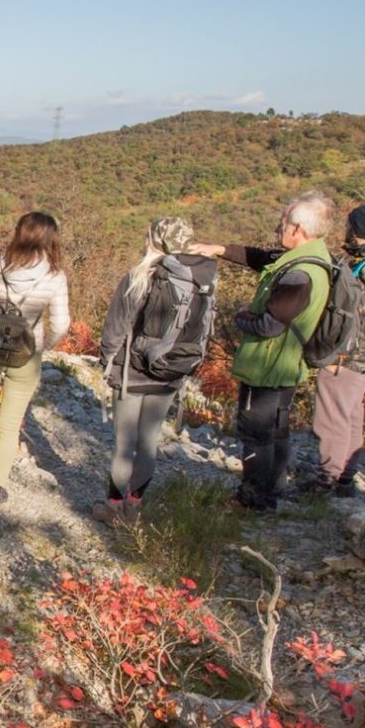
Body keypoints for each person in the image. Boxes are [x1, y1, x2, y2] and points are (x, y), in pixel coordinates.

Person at [187, 191, 334, 512]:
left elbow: (270, 325)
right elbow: (263, 258)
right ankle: (274, 488)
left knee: (256, 433)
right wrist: (220, 249)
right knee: (277, 431)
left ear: (297, 229)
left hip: (267, 365)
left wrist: (241, 315)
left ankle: (253, 500)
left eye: (283, 222)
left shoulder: (299, 274)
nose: (277, 228)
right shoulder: (310, 257)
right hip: (286, 365)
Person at [93, 217, 219, 523]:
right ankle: (133, 508)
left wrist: (105, 361)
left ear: (155, 241)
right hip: (170, 373)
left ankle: (112, 508)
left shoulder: (139, 276)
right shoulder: (201, 281)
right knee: (148, 442)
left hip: (132, 373)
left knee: (125, 443)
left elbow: (116, 328)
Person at [0, 211, 70, 504]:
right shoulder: (54, 276)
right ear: (50, 240)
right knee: (10, 425)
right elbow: (61, 324)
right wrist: (42, 346)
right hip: (26, 355)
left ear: (19, 234)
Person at [307, 203, 365, 495]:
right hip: (361, 356)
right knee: (348, 414)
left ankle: (326, 481)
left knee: (332, 415)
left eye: (350, 225)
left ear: (359, 230)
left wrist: (343, 354)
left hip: (350, 356)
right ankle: (344, 478)